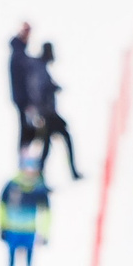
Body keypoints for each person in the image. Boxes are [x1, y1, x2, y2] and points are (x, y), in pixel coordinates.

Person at [0, 158, 52, 266]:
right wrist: (2, 226)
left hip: (29, 232)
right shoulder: (12, 185)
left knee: (29, 265)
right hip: (13, 231)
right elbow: (2, 206)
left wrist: (44, 232)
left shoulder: (38, 188)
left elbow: (46, 212)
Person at [32, 41, 83, 181]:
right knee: (62, 140)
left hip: (47, 114)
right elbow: (40, 91)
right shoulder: (40, 69)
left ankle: (41, 176)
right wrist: (52, 88)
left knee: (48, 146)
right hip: (47, 114)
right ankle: (71, 172)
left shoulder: (41, 68)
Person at [9, 22, 40, 153]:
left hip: (26, 99)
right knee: (27, 129)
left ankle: (25, 160)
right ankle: (23, 162)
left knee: (31, 129)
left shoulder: (21, 53)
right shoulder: (19, 55)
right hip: (24, 100)